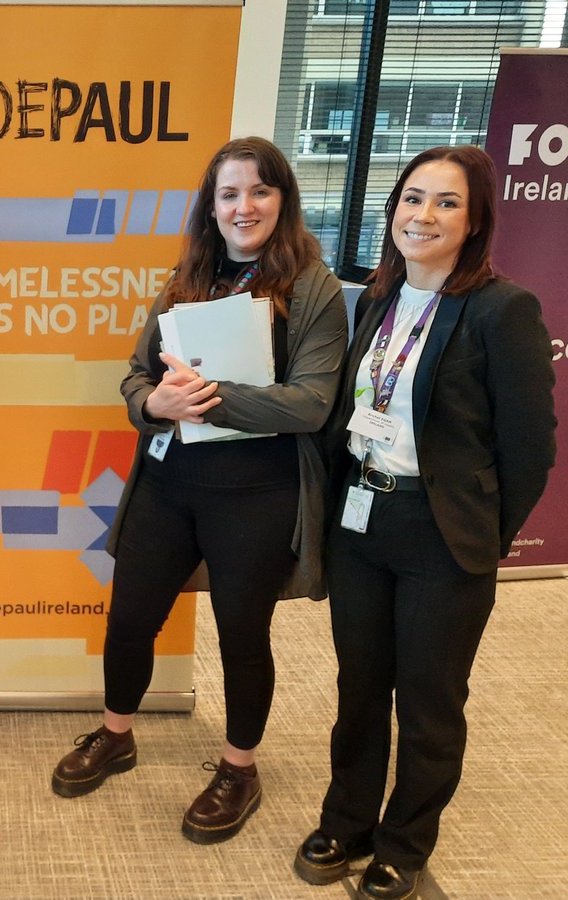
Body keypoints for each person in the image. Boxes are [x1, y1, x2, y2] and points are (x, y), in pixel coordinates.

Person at [51, 137, 348, 845]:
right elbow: (136, 374)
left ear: (283, 200)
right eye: (229, 194)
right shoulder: (188, 279)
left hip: (257, 495)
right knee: (129, 620)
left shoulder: (316, 288)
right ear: (210, 208)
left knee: (243, 636)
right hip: (168, 484)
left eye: (259, 191)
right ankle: (116, 734)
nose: (244, 207)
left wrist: (208, 399)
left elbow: (311, 404)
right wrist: (153, 404)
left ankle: (239, 770)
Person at [293, 145, 556, 899]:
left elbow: (530, 448)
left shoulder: (502, 310)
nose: (424, 215)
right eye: (412, 198)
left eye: (447, 203)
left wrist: (481, 536)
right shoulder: (375, 299)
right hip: (361, 521)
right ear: (393, 210)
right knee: (360, 685)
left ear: (475, 222)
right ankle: (348, 821)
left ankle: (404, 843)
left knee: (429, 699)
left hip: (442, 533)